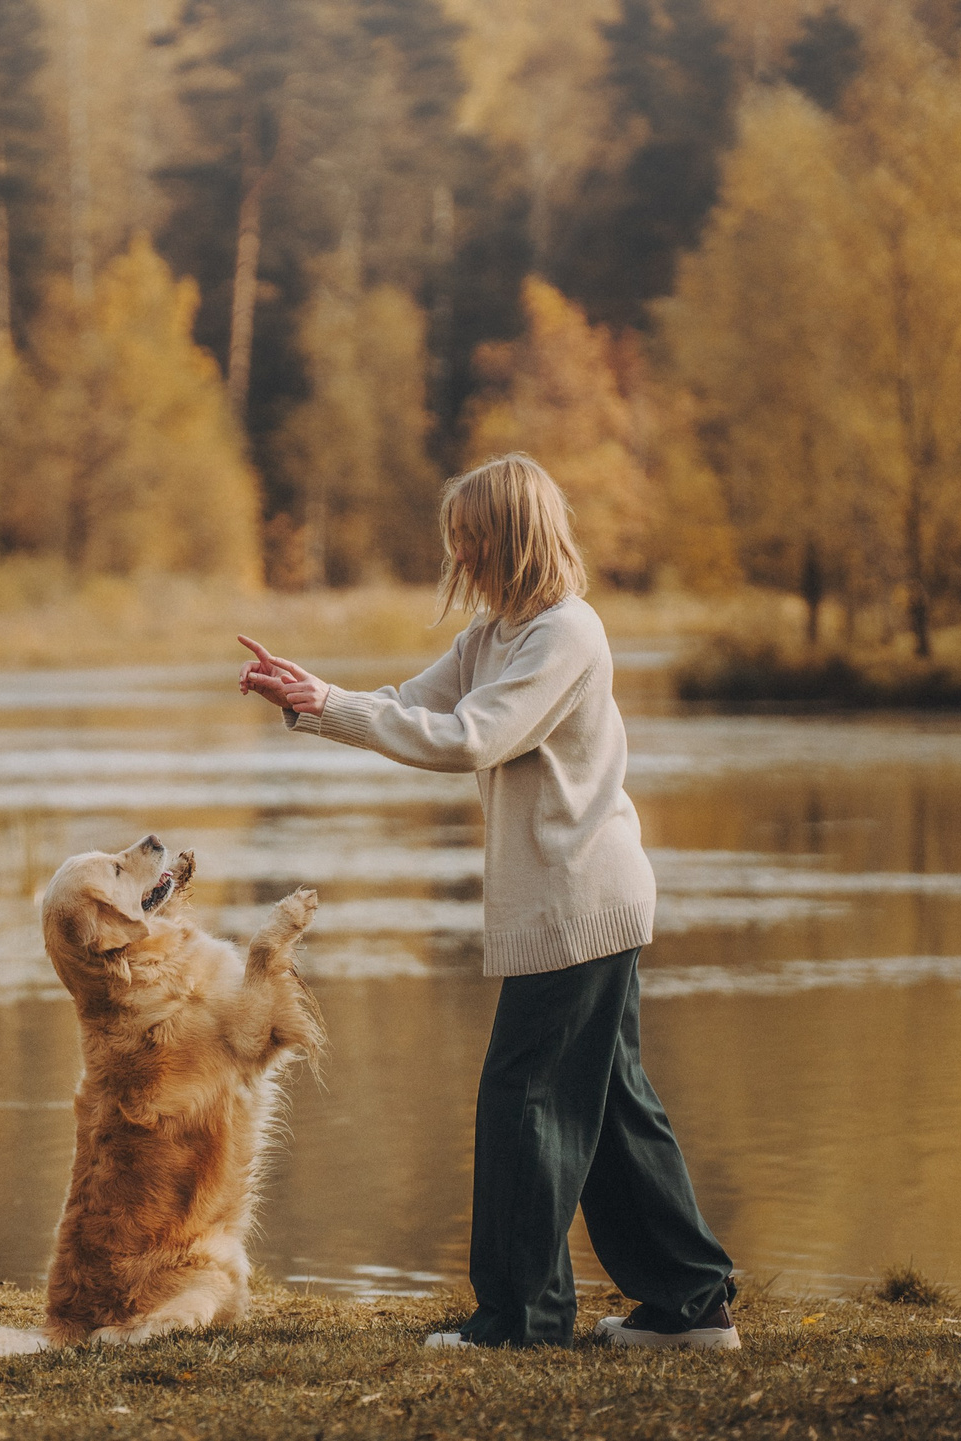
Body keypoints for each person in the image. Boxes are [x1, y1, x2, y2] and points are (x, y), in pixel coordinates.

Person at [236, 452, 739, 1351]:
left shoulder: (566, 634)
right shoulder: (493, 636)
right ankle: (691, 1306)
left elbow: (472, 739)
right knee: (615, 1108)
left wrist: (332, 705)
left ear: (509, 536)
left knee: (525, 1101)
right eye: (455, 540)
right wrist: (313, 702)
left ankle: (521, 1319)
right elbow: (412, 707)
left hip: (578, 905)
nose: (459, 556)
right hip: (575, 905)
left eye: (469, 539)